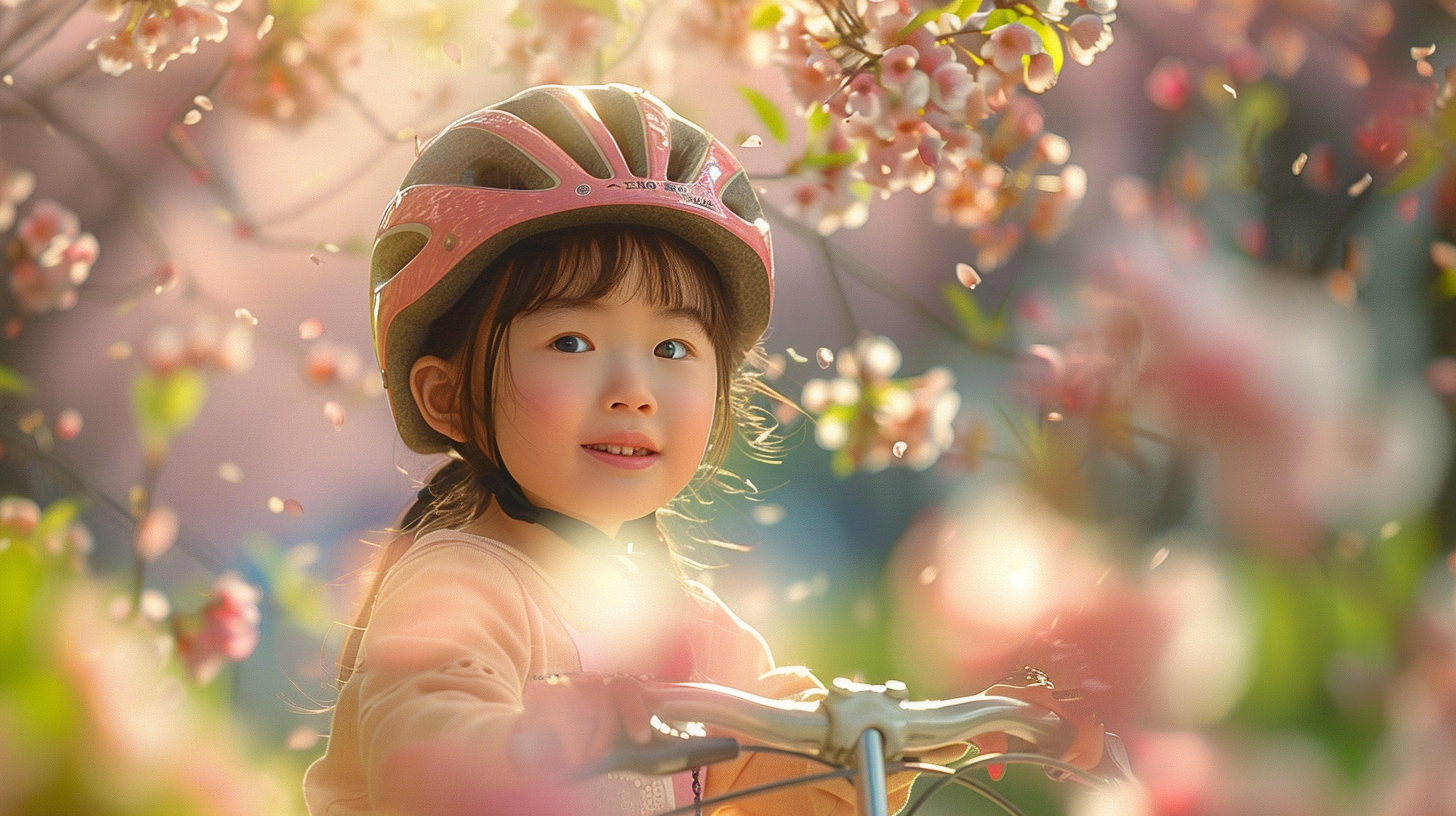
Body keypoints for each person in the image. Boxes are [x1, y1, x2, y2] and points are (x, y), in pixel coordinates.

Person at [303, 83, 1101, 816]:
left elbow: (787, 773)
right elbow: (430, 754)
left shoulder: (690, 631)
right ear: (448, 397)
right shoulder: (457, 589)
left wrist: (965, 727)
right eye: (573, 340)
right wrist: (560, 728)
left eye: (674, 350)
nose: (633, 390)